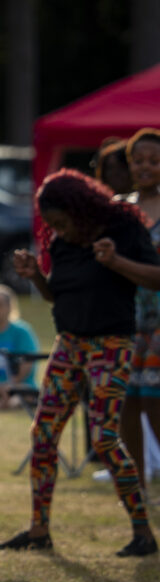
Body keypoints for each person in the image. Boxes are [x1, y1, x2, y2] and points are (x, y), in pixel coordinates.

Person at [0, 169, 160, 557]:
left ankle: (143, 532)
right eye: (50, 225)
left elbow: (155, 278)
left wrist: (116, 261)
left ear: (79, 209)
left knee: (104, 437)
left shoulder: (121, 226)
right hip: (69, 344)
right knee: (44, 434)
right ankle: (39, 530)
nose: (57, 231)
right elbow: (59, 296)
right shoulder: (63, 242)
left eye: (61, 222)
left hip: (111, 344)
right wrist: (37, 276)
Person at [120, 128, 160, 489]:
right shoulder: (119, 208)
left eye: (153, 161)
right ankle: (140, 484)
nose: (145, 167)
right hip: (124, 321)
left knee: (154, 404)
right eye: (138, 160)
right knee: (126, 405)